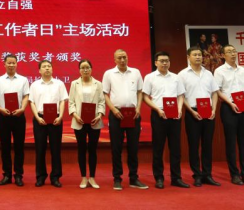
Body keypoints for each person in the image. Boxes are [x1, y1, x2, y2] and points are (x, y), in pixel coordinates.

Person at [102, 49, 148, 191]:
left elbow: (140, 92)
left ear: (127, 58)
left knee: (133, 147)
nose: (122, 60)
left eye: (124, 57)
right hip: (116, 114)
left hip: (133, 114)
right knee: (116, 148)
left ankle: (134, 178)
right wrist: (113, 109)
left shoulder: (135, 72)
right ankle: (117, 178)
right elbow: (105, 94)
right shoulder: (109, 74)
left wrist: (138, 107)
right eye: (119, 58)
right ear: (114, 60)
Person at [143, 51, 189, 189]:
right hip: (158, 114)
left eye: (167, 61)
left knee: (175, 148)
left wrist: (179, 109)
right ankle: (159, 178)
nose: (165, 63)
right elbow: (145, 97)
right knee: (158, 148)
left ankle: (176, 178)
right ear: (155, 62)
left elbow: (181, 95)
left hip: (174, 114)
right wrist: (157, 109)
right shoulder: (150, 77)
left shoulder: (176, 77)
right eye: (162, 61)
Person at [179, 46, 220, 187]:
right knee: (194, 145)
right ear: (188, 57)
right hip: (193, 112)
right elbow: (181, 96)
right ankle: (197, 175)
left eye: (199, 55)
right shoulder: (182, 74)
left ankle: (207, 174)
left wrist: (214, 109)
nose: (198, 57)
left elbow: (214, 93)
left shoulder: (208, 73)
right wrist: (191, 111)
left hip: (208, 112)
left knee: (207, 145)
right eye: (195, 55)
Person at [214, 44, 244, 186]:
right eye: (229, 52)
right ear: (223, 55)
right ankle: (235, 174)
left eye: (234, 51)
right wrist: (230, 104)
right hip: (229, 107)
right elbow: (218, 90)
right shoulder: (219, 71)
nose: (233, 54)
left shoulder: (242, 70)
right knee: (231, 142)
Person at [0, 54, 29, 187]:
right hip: (4, 116)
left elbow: (26, 96)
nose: (11, 65)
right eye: (9, 63)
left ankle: (18, 175)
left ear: (17, 64)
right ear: (4, 64)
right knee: (5, 147)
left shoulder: (23, 80)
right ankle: (7, 174)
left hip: (19, 116)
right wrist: (0, 109)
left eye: (13, 63)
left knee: (19, 147)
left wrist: (22, 108)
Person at [29, 59, 68, 188]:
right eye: (44, 66)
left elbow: (62, 101)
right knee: (40, 149)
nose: (47, 68)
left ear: (52, 69)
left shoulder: (59, 84)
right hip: (40, 118)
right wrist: (37, 117)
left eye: (49, 66)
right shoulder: (34, 85)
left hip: (56, 118)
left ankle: (55, 177)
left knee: (56, 149)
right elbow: (32, 102)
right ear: (39, 70)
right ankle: (40, 176)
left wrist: (60, 116)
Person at [68, 59, 105, 189]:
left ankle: (92, 178)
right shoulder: (74, 84)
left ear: (91, 69)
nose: (85, 70)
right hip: (79, 121)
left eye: (87, 67)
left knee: (93, 150)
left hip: (95, 121)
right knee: (81, 149)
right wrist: (75, 115)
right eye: (83, 68)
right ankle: (83, 177)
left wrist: (99, 115)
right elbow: (71, 102)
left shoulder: (98, 84)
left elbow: (102, 102)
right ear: (79, 70)